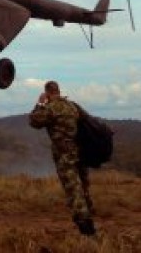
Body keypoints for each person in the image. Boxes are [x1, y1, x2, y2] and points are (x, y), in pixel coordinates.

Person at [28, 80, 95, 236]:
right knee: (83, 186)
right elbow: (86, 120)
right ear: (58, 90)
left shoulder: (51, 108)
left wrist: (40, 104)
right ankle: (89, 215)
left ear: (47, 92)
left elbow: (34, 121)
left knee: (73, 189)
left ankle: (86, 228)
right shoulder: (72, 106)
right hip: (80, 152)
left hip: (65, 155)